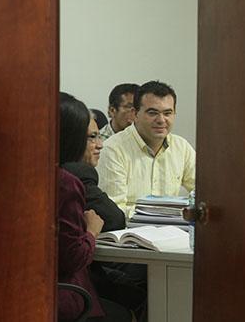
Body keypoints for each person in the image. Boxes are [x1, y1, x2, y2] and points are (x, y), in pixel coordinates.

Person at [58, 93, 132, 322]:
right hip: (64, 296)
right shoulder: (66, 182)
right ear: (71, 138)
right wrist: (91, 231)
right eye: (91, 137)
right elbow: (73, 258)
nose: (100, 144)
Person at [97, 81, 195, 219]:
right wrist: (165, 215)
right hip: (128, 235)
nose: (161, 120)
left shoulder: (182, 147)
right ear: (135, 114)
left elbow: (203, 193)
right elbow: (115, 210)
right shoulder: (112, 149)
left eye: (167, 113)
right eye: (152, 113)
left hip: (173, 233)